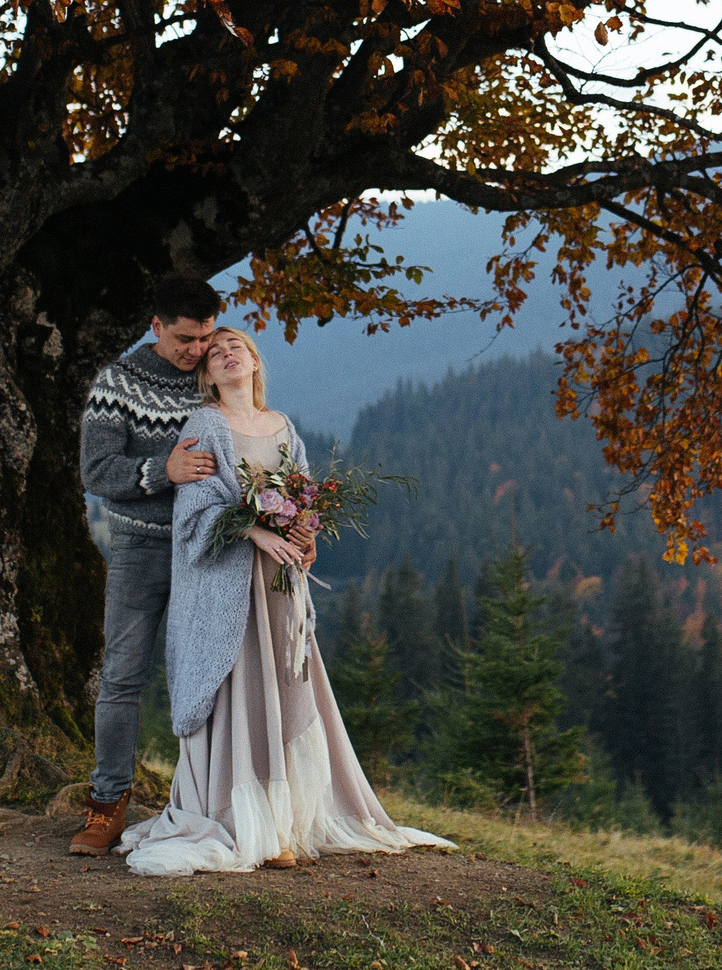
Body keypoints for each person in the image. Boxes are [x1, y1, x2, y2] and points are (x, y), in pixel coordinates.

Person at [117, 326, 450, 875]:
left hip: (278, 584)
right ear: (207, 375)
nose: (226, 357)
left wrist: (304, 532)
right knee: (243, 686)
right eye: (216, 353)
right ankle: (249, 821)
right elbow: (195, 511)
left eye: (236, 350)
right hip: (229, 584)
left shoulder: (282, 427)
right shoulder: (205, 424)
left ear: (254, 363)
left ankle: (289, 818)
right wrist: (254, 532)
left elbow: (299, 494)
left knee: (286, 685)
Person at [70, 274, 225, 858]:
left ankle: (212, 805)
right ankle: (107, 807)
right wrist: (163, 471)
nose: (197, 350)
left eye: (205, 337)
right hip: (139, 549)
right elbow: (96, 471)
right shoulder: (119, 382)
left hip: (209, 550)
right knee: (123, 675)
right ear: (156, 326)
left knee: (214, 677)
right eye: (186, 338)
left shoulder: (213, 375)